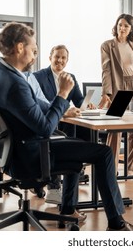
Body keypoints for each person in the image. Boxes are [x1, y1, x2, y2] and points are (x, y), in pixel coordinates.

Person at [0, 21, 133, 231]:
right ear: (20, 47)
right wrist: (62, 95)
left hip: (14, 150)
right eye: (32, 48)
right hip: (32, 153)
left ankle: (67, 208)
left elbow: (31, 106)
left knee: (77, 144)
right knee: (104, 153)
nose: (34, 54)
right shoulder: (16, 84)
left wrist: (61, 108)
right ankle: (116, 223)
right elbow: (45, 128)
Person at [34, 45, 91, 204]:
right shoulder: (38, 77)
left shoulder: (70, 77)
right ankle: (54, 186)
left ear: (67, 60)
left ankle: (73, 172)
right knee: (63, 135)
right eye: (57, 56)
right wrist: (63, 110)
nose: (60, 60)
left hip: (65, 121)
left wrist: (88, 105)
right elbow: (41, 104)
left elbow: (79, 101)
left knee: (82, 133)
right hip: (48, 122)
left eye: (63, 58)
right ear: (50, 57)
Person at [99, 14, 133, 172]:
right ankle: (111, 166)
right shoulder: (107, 45)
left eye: (126, 26)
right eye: (120, 24)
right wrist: (106, 93)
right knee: (115, 127)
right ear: (116, 26)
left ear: (131, 29)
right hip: (120, 86)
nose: (122, 28)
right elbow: (106, 70)